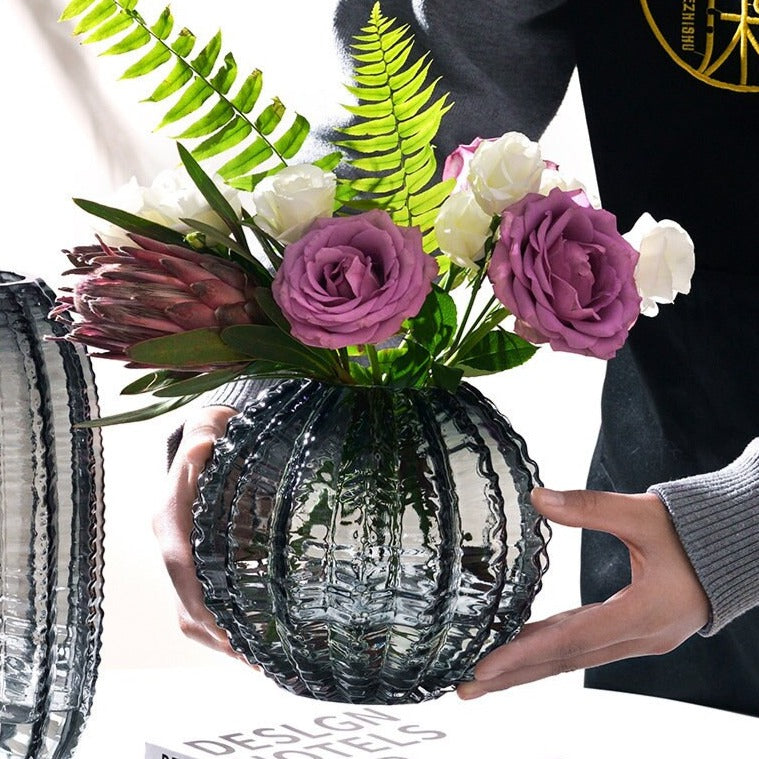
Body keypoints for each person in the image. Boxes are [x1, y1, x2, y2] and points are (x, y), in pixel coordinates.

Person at [156, 0, 759, 716]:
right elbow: (408, 111)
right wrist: (270, 382)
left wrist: (738, 524)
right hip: (671, 497)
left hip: (700, 534)